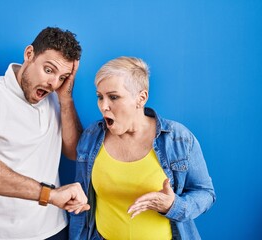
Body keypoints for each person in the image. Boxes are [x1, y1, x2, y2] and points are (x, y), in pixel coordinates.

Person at [0, 27, 90, 240]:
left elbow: (74, 152)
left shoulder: (56, 96)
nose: (53, 83)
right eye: (49, 70)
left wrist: (66, 99)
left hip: (53, 230)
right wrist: (50, 195)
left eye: (62, 76)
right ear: (29, 55)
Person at [69, 56, 216, 240]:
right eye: (100, 97)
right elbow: (80, 204)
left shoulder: (178, 139)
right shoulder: (92, 136)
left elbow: (205, 193)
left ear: (141, 98)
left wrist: (173, 205)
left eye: (113, 97)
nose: (103, 106)